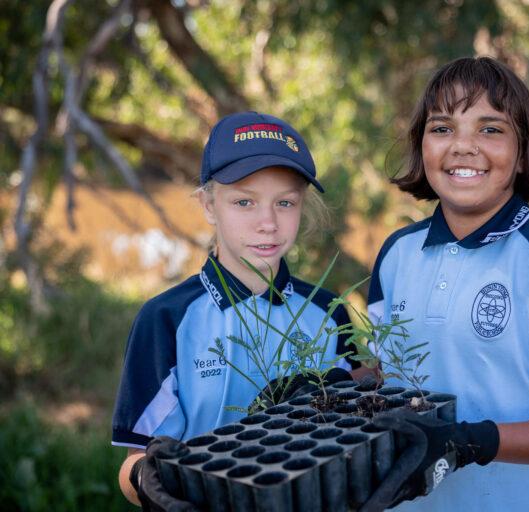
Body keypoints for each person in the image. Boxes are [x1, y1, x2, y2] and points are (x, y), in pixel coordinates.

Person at [363, 57, 529, 512]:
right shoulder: (396, 255)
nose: (463, 146)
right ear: (420, 145)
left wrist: (474, 441)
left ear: (523, 150)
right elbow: (388, 376)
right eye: (442, 128)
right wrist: (334, 386)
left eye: (490, 129)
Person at [111, 111, 362, 510]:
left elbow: (358, 421)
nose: (268, 223)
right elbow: (134, 461)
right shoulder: (166, 320)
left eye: (285, 202)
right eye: (244, 201)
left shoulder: (328, 312)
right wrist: (150, 483)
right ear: (209, 206)